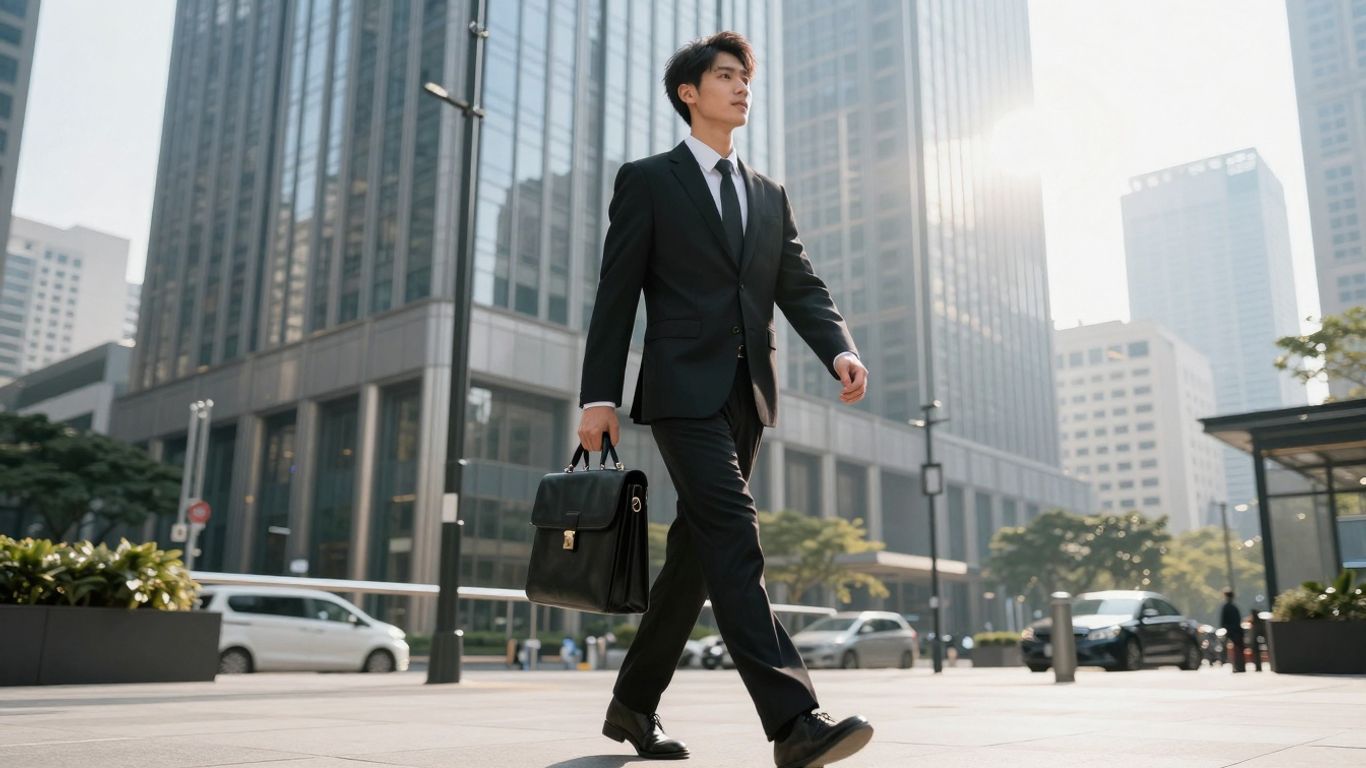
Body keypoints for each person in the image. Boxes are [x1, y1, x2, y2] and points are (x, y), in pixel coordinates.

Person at [577, 31, 873, 768]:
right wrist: (598, 398)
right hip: (680, 390)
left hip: (749, 396)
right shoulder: (648, 180)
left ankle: (632, 707)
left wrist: (839, 347)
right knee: (736, 535)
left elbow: (798, 283)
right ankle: (794, 722)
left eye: (746, 77)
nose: (743, 87)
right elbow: (617, 295)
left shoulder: (768, 193)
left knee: (698, 559)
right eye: (726, 76)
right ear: (690, 93)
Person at [1219, 588, 1246, 673]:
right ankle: (1240, 666)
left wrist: (1226, 628)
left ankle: (1234, 665)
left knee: (1231, 649)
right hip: (1237, 630)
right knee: (1238, 649)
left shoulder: (1226, 607)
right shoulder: (1234, 607)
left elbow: (1223, 621)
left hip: (1230, 631)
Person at [1247, 607, 1266, 672]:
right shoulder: (1258, 621)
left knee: (1256, 655)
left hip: (1254, 641)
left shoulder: (1253, 622)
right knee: (1257, 655)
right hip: (1256, 641)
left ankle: (1258, 667)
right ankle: (1258, 667)